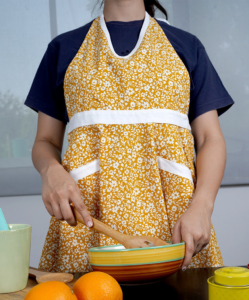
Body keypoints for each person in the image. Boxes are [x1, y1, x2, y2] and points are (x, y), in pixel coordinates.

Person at [24, 0, 234, 273]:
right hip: (86, 228)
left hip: (179, 231)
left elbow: (210, 139)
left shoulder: (187, 47)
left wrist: (203, 206)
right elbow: (45, 142)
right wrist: (50, 170)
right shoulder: (63, 50)